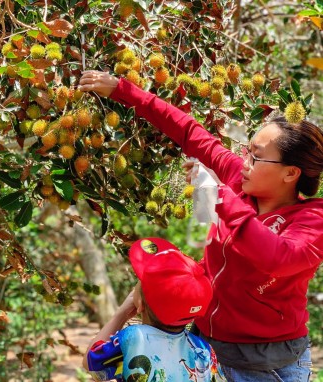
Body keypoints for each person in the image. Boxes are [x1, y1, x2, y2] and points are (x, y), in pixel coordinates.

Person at [78, 70, 323, 381]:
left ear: (291, 174)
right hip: (205, 351)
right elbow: (189, 132)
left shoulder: (312, 220)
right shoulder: (238, 178)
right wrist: (124, 91)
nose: (243, 161)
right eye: (246, 151)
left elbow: (277, 258)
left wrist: (218, 196)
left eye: (256, 158)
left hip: (267, 366)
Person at [83, 237, 225, 381]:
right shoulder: (202, 349)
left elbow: (90, 365)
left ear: (140, 303)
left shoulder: (133, 337)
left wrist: (121, 314)